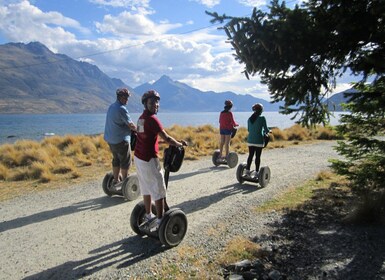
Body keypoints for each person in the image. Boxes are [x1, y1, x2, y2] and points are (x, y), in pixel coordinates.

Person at [134, 90, 187, 232]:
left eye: (157, 102)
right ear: (145, 104)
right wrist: (179, 144)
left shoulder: (141, 119)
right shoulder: (152, 119)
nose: (155, 105)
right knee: (159, 190)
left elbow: (145, 138)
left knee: (146, 188)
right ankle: (160, 220)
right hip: (149, 158)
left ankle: (148, 215)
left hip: (138, 158)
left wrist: (170, 143)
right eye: (152, 102)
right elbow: (166, 137)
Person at [104, 88, 137, 185]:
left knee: (116, 159)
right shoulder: (121, 109)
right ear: (119, 97)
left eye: (127, 97)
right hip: (121, 140)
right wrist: (140, 131)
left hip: (110, 139)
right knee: (125, 161)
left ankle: (115, 179)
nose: (127, 99)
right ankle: (125, 182)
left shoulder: (112, 107)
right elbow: (130, 124)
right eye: (125, 97)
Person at [246, 103, 270, 177]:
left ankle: (247, 170)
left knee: (250, 155)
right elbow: (266, 129)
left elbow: (249, 130)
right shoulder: (262, 118)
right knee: (258, 156)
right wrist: (268, 131)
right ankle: (256, 172)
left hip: (250, 140)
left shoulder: (249, 119)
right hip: (258, 140)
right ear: (261, 110)